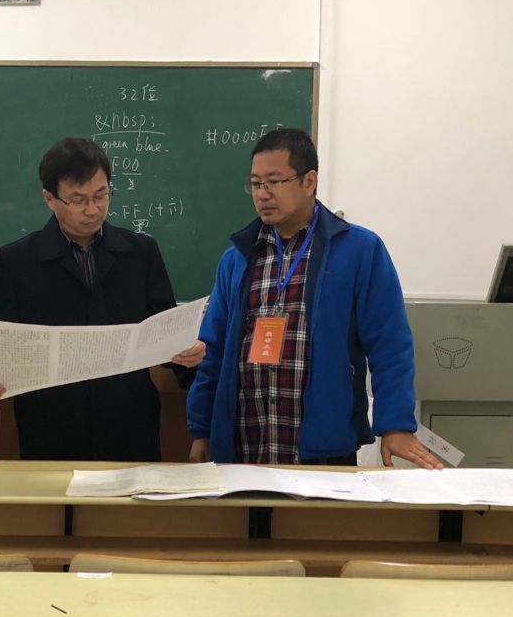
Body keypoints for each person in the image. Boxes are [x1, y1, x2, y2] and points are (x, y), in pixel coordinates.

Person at [186, 127, 441, 470]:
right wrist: (201, 429)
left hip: (324, 449)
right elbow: (213, 349)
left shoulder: (359, 251)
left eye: (274, 182)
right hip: (244, 448)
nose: (262, 194)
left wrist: (395, 425)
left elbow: (389, 344)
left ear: (309, 182)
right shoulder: (237, 259)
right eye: (256, 184)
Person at [0, 137, 204, 460]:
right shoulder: (17, 262)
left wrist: (187, 353)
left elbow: (164, 335)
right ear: (50, 199)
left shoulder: (140, 253)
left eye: (101, 195)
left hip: (129, 428)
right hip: (51, 433)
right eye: (78, 200)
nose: (93, 210)